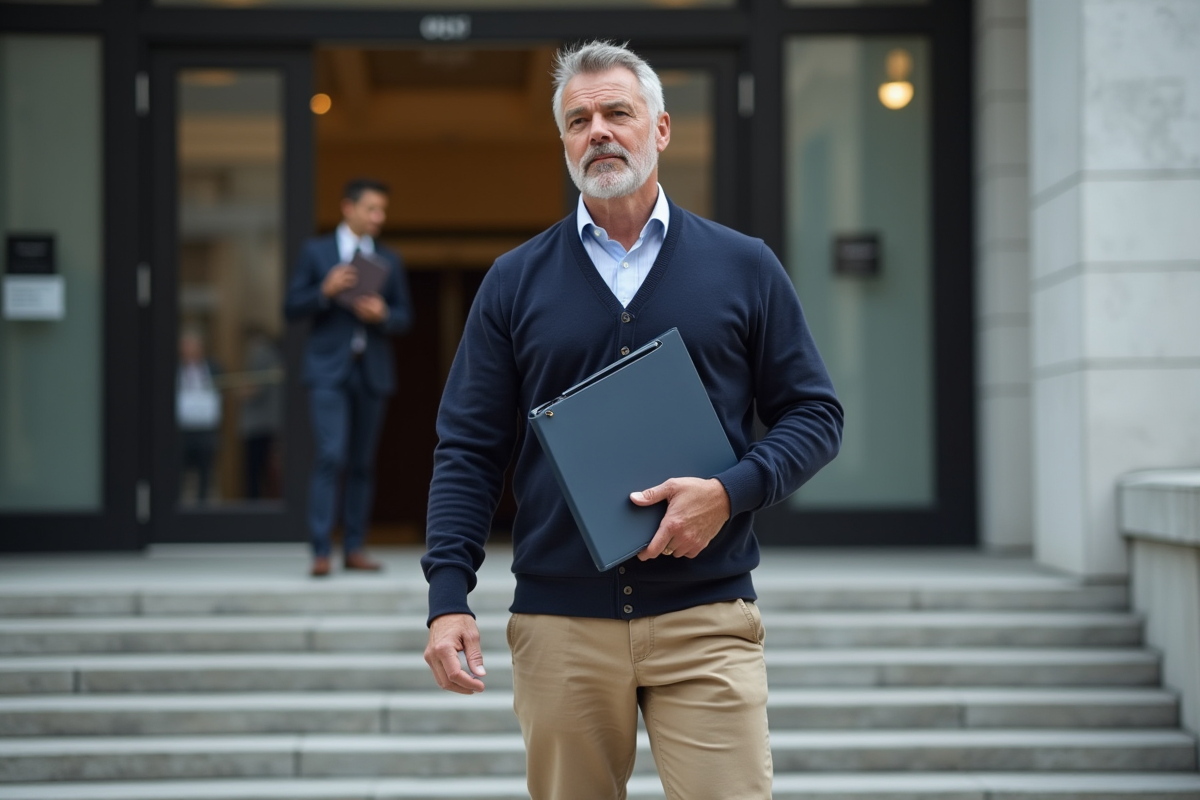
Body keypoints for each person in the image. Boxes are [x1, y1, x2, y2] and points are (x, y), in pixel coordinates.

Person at [421, 41, 843, 800]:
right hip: (560, 624)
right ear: (564, 143)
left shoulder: (744, 265)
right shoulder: (515, 280)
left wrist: (731, 491)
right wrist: (448, 595)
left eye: (618, 112)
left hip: (706, 615)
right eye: (579, 120)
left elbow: (815, 414)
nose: (599, 131)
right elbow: (469, 449)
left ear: (661, 128)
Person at [285, 178, 413, 578]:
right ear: (348, 208)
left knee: (361, 462)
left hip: (371, 371)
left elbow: (404, 317)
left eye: (382, 211)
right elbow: (291, 307)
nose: (379, 217)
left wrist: (383, 315)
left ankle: (354, 546)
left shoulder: (389, 259)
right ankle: (321, 550)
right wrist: (324, 290)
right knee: (331, 455)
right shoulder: (316, 252)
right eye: (372, 209)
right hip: (328, 371)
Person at [177, 329, 223, 504]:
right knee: (179, 471)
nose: (188, 350)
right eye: (185, 346)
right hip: (182, 429)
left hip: (206, 428)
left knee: (206, 471)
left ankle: (202, 506)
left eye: (192, 346)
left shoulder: (213, 367)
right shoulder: (176, 369)